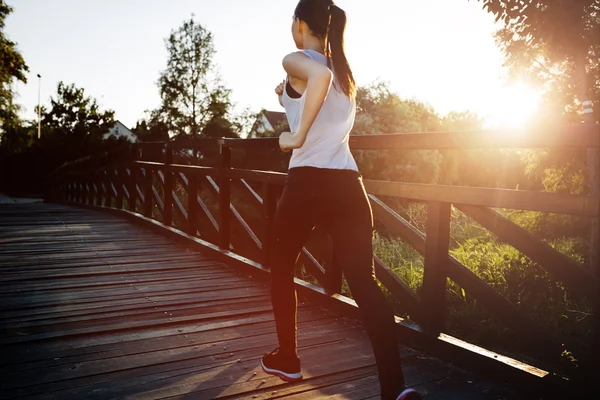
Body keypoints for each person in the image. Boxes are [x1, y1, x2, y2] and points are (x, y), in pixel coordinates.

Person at [259, 1, 421, 399]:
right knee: (364, 283)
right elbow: (321, 99)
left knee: (281, 267)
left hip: (307, 183)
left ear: (300, 25)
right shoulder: (346, 73)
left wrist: (292, 138)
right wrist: (286, 98)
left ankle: (289, 359)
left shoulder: (297, 59)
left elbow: (317, 76)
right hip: (348, 184)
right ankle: (395, 389)